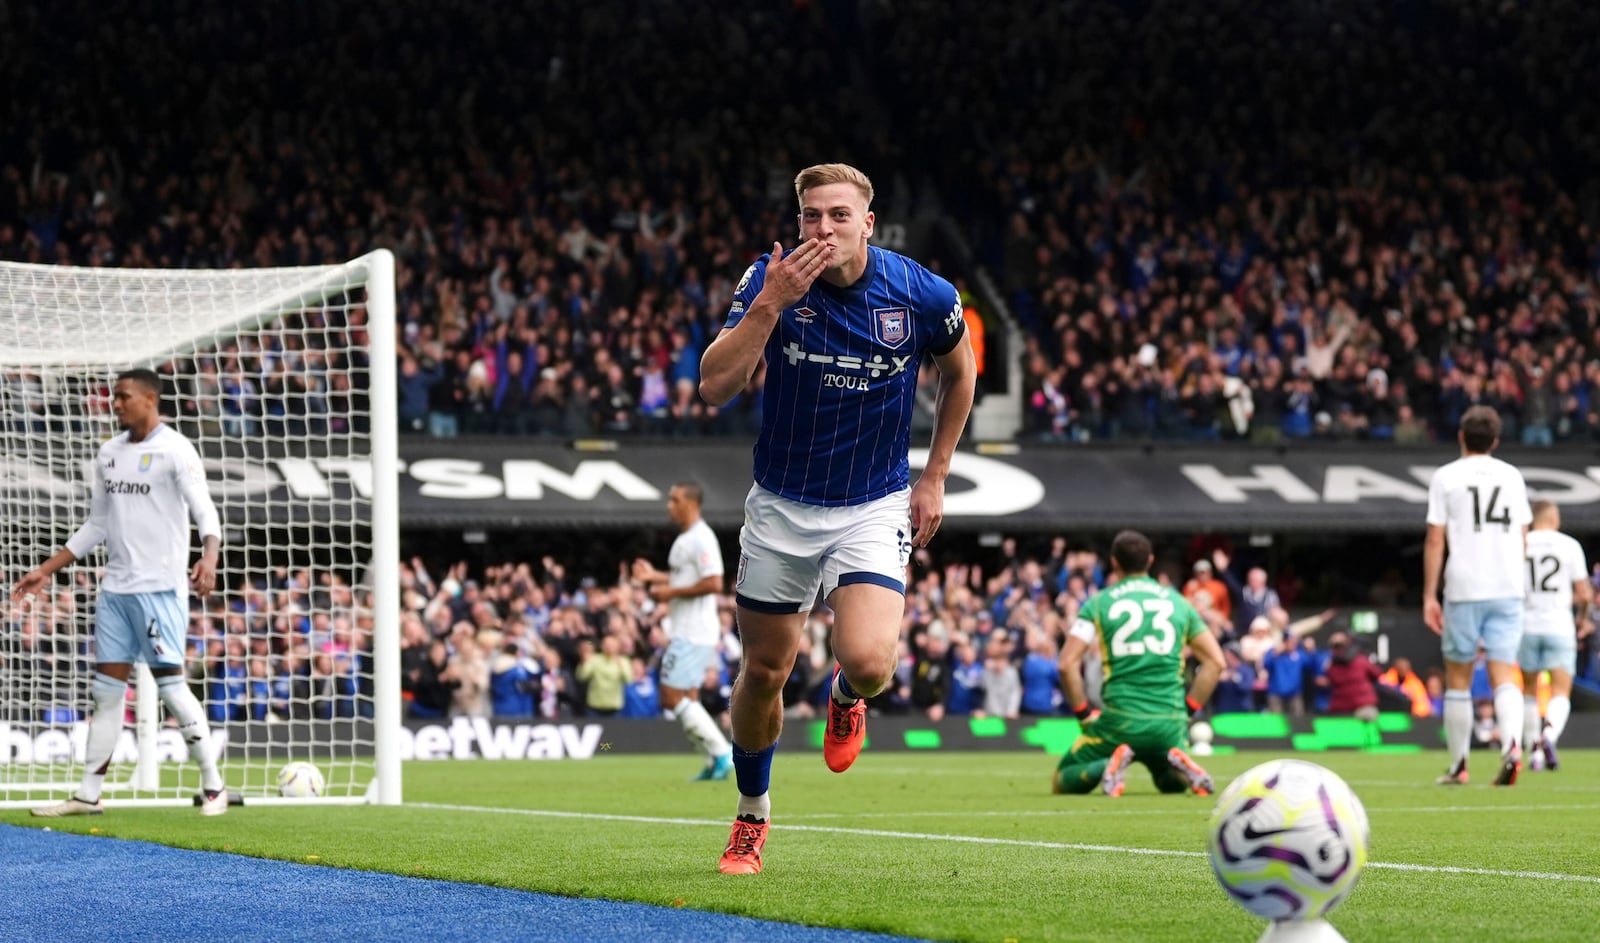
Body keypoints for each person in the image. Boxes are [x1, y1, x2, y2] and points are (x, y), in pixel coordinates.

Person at [698, 162, 976, 874]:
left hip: (872, 501)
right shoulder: (770, 280)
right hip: (782, 503)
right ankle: (752, 815)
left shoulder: (920, 292)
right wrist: (769, 305)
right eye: (811, 216)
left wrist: (935, 473)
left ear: (868, 223)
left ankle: (848, 697)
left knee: (870, 661)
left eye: (838, 216)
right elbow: (714, 385)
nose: (823, 229)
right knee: (765, 668)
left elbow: (961, 369)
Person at [13, 368, 229, 816]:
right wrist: (46, 570)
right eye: (114, 397)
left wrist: (209, 558)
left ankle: (213, 784)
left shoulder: (175, 450)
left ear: (150, 399)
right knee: (106, 693)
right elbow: (98, 524)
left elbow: (205, 512)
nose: (115, 404)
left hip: (160, 590)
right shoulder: (109, 453)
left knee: (170, 687)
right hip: (116, 591)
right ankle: (88, 795)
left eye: (123, 397)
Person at [1052, 530, 1226, 798]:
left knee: (1062, 778)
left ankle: (1105, 766)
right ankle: (1179, 766)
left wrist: (1084, 713)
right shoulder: (1179, 603)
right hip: (1168, 722)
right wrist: (1187, 711)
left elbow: (1066, 663)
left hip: (1120, 721)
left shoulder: (1099, 603)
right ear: (1151, 560)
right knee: (1168, 782)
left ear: (1114, 562)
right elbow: (1215, 662)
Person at [1423, 405, 1531, 786]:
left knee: (1458, 678)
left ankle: (1459, 766)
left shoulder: (1446, 477)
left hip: (1465, 587)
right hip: (1507, 587)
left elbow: (1436, 538)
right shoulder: (1512, 476)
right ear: (1496, 441)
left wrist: (1429, 595)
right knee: (1504, 672)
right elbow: (1522, 535)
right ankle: (1513, 744)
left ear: (1461, 437)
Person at [631, 481, 734, 780]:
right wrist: (656, 577)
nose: (669, 505)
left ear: (691, 503)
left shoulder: (702, 538)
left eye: (674, 500)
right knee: (688, 698)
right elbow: (684, 576)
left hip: (693, 631)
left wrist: (671, 592)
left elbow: (714, 582)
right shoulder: (684, 540)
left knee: (671, 697)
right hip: (689, 628)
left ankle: (722, 752)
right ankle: (712, 760)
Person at [1518, 500, 1590, 772]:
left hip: (1526, 624)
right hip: (1559, 625)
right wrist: (1582, 620)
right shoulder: (1569, 545)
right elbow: (1583, 593)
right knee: (1561, 692)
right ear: (1554, 518)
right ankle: (1548, 736)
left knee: (1527, 692)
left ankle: (1533, 755)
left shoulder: (1521, 543)